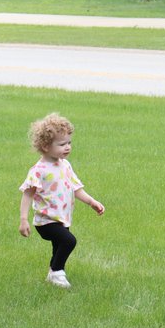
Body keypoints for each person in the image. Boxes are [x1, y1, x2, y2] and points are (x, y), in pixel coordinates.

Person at [18, 113, 105, 288]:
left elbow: (76, 188)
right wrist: (23, 220)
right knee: (69, 241)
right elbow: (27, 193)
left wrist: (92, 202)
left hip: (62, 217)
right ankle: (58, 272)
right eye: (62, 144)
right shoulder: (39, 170)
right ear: (45, 146)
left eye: (69, 143)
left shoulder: (65, 165)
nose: (67, 147)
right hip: (46, 221)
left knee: (58, 246)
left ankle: (53, 273)